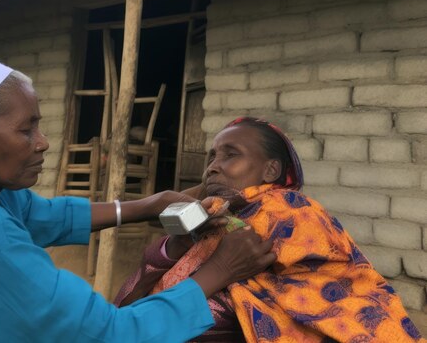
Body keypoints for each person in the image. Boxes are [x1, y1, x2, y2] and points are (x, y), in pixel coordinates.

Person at [0, 50, 276, 343]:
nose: (43, 143)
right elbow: (104, 334)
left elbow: (46, 216)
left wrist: (147, 205)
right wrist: (220, 269)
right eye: (26, 129)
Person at [115, 117, 423, 342]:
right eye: (212, 157)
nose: (212, 166)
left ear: (270, 170)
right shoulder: (209, 223)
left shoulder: (291, 213)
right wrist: (176, 245)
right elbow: (126, 310)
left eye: (230, 154)